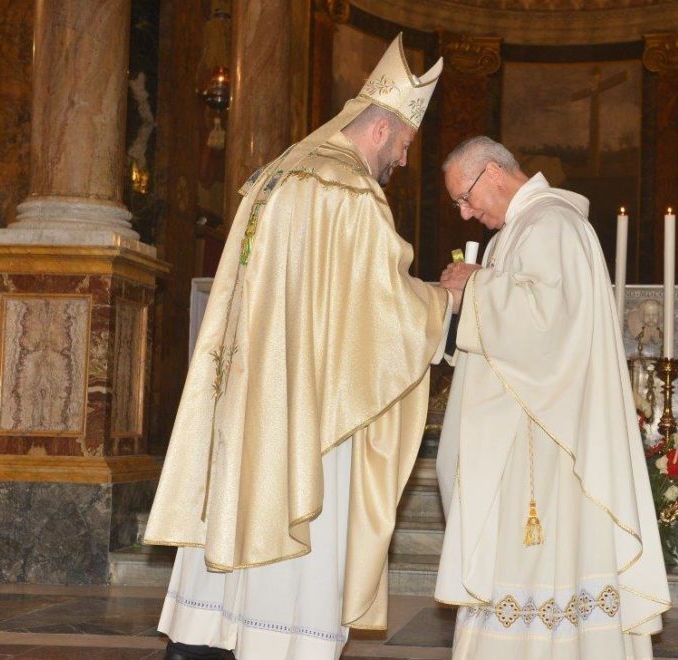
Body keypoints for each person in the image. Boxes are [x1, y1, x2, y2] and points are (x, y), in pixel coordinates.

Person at [143, 35, 451, 660]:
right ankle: (280, 643)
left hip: (247, 387)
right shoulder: (349, 189)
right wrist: (446, 299)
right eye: (403, 145)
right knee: (298, 509)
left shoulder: (276, 174)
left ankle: (203, 637)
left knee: (236, 497)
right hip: (309, 399)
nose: (401, 159)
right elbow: (383, 304)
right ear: (382, 128)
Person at [435, 136, 670, 659]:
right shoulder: (521, 229)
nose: (466, 213)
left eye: (465, 197)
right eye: (458, 204)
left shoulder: (552, 224)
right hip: (522, 429)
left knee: (542, 564)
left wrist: (475, 288)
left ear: (494, 172)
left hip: (548, 439)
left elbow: (548, 325)